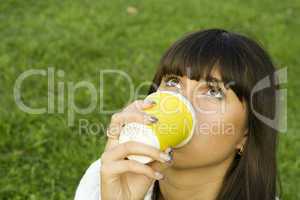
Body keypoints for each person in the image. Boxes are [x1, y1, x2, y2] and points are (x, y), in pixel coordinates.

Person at [75, 29, 281, 200]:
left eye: (213, 91)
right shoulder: (107, 178)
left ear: (246, 134)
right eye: (173, 82)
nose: (178, 102)